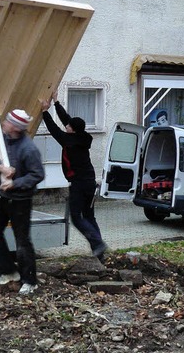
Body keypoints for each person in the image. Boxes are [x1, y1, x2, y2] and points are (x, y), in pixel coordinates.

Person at [0, 109, 44, 295]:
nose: (4, 123)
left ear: (16, 128)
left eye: (8, 122)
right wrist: (0, 167)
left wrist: (15, 183)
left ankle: (30, 280)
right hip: (1, 197)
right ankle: (9, 272)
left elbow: (37, 175)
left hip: (20, 202)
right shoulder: (1, 139)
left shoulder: (29, 149)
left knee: (22, 241)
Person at [41, 92, 108, 261]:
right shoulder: (83, 137)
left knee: (77, 217)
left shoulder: (68, 141)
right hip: (90, 182)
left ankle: (97, 244)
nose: (66, 126)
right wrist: (56, 102)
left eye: (68, 126)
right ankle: (100, 251)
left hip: (79, 184)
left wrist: (44, 112)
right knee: (89, 216)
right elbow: (67, 120)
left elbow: (53, 129)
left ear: (73, 129)